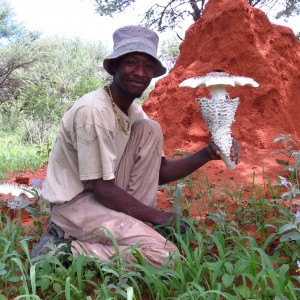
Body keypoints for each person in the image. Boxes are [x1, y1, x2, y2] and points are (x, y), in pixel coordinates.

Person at [30, 25, 240, 268]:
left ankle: (123, 231)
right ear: (115, 66)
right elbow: (103, 189)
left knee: (151, 129)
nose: (140, 72)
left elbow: (159, 173)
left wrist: (207, 153)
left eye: (148, 66)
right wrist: (160, 218)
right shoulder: (93, 110)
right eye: (131, 63)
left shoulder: (133, 112)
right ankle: (65, 250)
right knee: (166, 257)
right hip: (76, 205)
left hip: (104, 197)